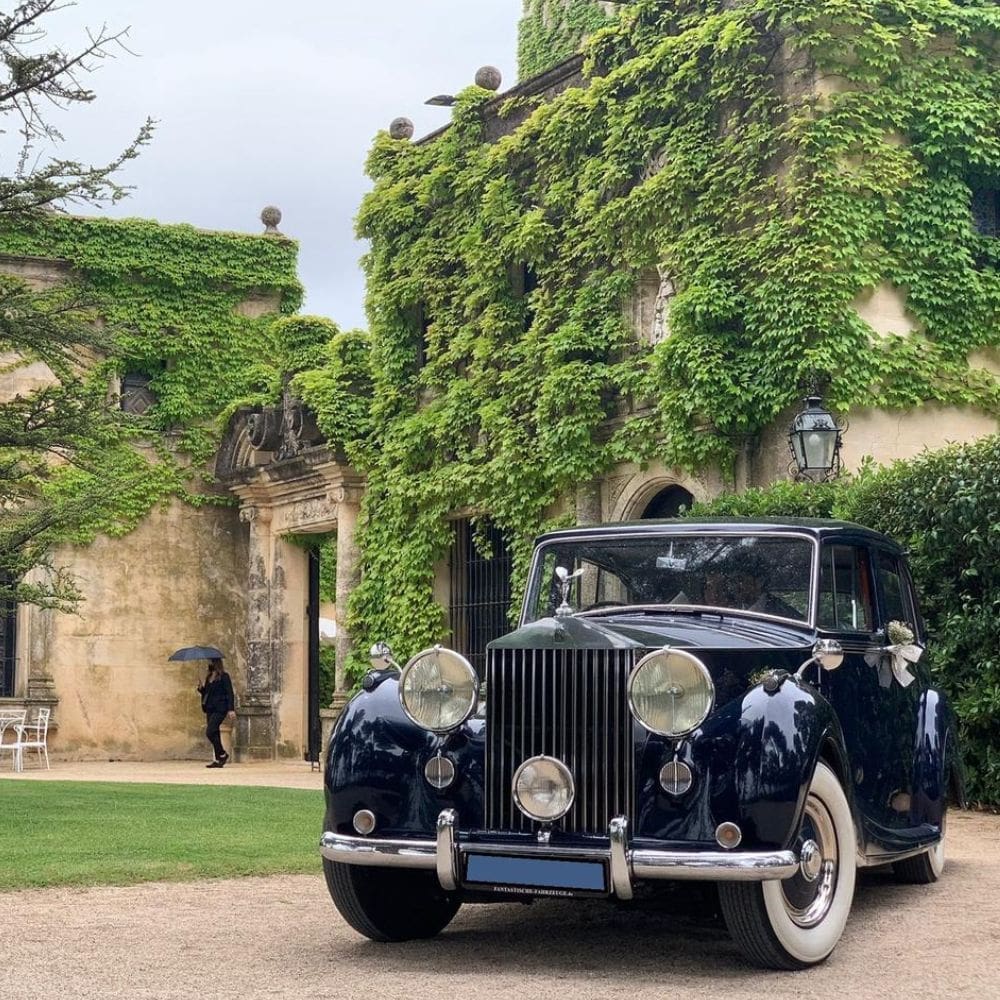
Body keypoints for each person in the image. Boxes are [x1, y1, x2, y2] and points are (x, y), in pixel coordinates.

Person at [197, 658, 235, 768]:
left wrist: (231, 709)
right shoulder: (209, 677)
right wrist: (201, 689)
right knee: (215, 733)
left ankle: (222, 754)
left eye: (210, 661)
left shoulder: (224, 676)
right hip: (210, 708)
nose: (208, 663)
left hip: (220, 708)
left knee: (210, 731)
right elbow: (208, 693)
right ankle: (219, 759)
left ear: (215, 663)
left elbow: (230, 693)